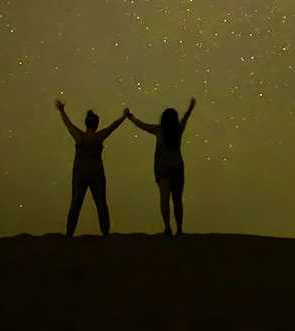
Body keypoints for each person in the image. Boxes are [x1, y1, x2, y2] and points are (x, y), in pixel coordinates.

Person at [55, 99, 128, 237]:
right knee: (100, 202)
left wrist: (62, 111)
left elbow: (68, 124)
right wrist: (123, 117)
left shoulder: (80, 137)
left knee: (76, 201)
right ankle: (105, 231)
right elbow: (112, 127)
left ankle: (70, 232)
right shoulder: (98, 137)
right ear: (96, 124)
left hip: (80, 171)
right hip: (96, 171)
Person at [127, 97, 195, 236]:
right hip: (176, 166)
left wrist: (130, 117)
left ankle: (167, 227)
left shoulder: (159, 131)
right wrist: (190, 108)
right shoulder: (178, 130)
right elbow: (186, 118)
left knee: (164, 198)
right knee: (177, 200)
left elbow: (142, 125)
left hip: (162, 167)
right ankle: (179, 228)